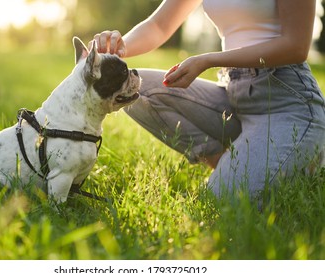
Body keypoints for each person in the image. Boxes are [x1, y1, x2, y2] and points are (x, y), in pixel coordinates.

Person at [91, 0, 325, 199]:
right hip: (234, 94)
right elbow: (158, 26)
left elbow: (296, 46)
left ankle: (305, 158)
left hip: (287, 102)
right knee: (137, 92)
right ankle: (228, 163)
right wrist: (116, 49)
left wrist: (209, 60)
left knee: (221, 202)